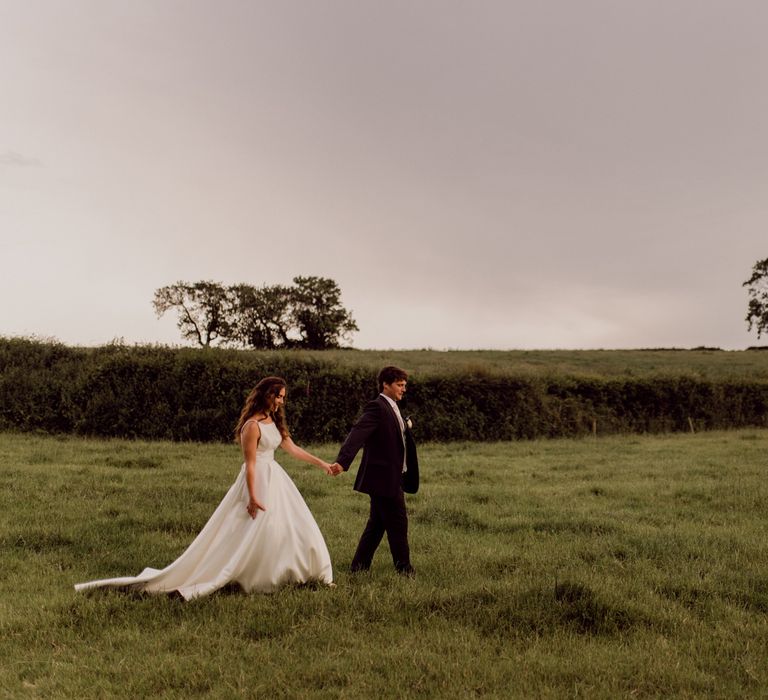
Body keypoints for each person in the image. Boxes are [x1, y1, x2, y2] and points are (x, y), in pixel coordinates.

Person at [75, 377, 335, 600]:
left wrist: (322, 463)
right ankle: (251, 577)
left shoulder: (275, 421)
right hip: (257, 482)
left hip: (277, 479)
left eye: (282, 397)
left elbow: (292, 448)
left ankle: (295, 574)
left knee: (291, 527)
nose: (281, 402)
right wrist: (253, 496)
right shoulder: (251, 426)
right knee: (250, 532)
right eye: (278, 397)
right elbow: (251, 465)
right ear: (266, 395)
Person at [332, 366, 419, 576]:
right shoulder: (376, 407)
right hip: (383, 478)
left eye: (404, 385)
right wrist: (342, 462)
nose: (403, 389)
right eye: (399, 385)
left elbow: (394, 432)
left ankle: (358, 568)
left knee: (377, 524)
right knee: (398, 522)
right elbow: (357, 434)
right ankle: (405, 570)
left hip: (394, 476)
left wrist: (406, 425)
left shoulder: (394, 407)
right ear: (385, 385)